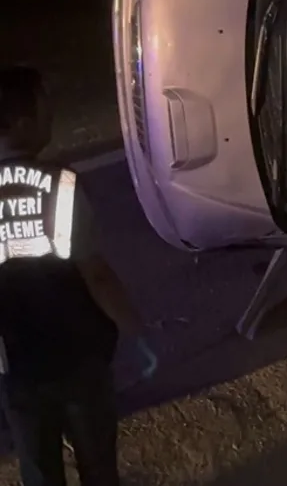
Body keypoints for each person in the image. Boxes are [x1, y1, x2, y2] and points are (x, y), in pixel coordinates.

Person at [0, 66, 155, 486]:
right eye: (44, 109)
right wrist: (136, 333)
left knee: (39, 469)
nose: (51, 118)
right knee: (98, 465)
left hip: (17, 367)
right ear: (19, 123)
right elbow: (96, 275)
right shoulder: (61, 185)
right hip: (79, 356)